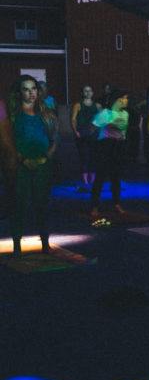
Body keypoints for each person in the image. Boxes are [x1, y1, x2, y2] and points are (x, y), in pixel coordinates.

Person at [9, 75, 59, 256]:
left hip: (42, 166)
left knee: (42, 205)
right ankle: (16, 245)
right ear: (20, 92)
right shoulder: (14, 115)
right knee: (20, 205)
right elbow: (9, 142)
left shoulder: (46, 113)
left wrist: (47, 156)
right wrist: (22, 159)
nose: (31, 93)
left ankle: (45, 243)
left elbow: (54, 138)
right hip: (22, 166)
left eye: (33, 89)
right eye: (26, 89)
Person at [89, 90, 130, 217]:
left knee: (116, 176)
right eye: (124, 98)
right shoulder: (105, 114)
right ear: (117, 100)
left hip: (118, 146)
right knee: (100, 176)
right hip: (105, 146)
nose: (126, 100)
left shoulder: (125, 114)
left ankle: (117, 203)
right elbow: (92, 128)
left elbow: (123, 131)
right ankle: (95, 206)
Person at [70, 85, 101, 190]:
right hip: (82, 135)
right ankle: (85, 182)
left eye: (90, 90)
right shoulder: (78, 105)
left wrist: (99, 130)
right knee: (84, 157)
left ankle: (92, 182)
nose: (88, 93)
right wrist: (76, 131)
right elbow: (73, 119)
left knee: (94, 158)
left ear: (92, 93)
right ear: (82, 93)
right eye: (85, 91)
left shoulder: (97, 106)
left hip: (94, 136)